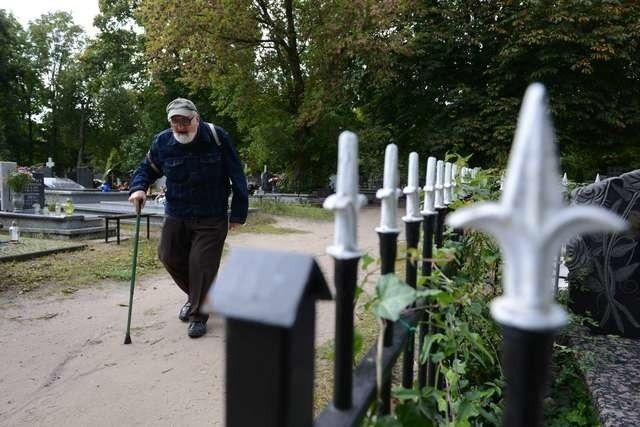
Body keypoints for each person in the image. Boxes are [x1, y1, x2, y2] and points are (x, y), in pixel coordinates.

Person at [128, 97, 248, 338]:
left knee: (201, 264)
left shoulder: (216, 137)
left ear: (197, 118)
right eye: (175, 122)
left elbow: (237, 173)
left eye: (185, 121)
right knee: (168, 255)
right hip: (177, 212)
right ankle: (199, 297)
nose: (181, 126)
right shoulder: (163, 141)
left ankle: (197, 315)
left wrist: (237, 213)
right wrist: (138, 188)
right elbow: (147, 168)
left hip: (211, 214)